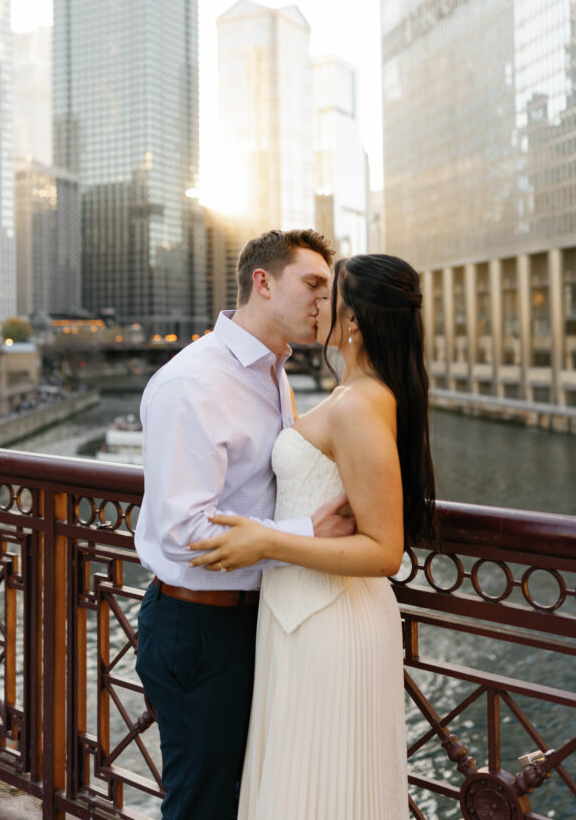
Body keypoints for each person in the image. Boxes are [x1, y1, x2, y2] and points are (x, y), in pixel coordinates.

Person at [190, 253, 437, 820]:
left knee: (323, 792)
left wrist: (267, 542)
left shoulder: (360, 404)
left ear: (352, 321)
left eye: (330, 294)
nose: (317, 301)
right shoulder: (350, 395)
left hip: (330, 620)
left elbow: (384, 551)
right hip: (296, 615)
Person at [134, 229, 356, 820]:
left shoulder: (271, 370)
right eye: (312, 284)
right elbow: (186, 534)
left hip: (250, 620)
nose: (323, 302)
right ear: (262, 281)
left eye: (328, 289)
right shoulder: (195, 381)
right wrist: (308, 537)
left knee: (247, 798)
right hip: (198, 627)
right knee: (203, 805)